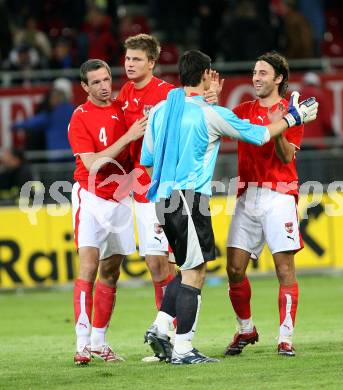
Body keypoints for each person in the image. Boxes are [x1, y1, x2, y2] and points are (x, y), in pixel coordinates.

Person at [140, 49, 318, 364]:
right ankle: (182, 348)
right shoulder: (214, 114)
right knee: (195, 272)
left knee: (186, 267)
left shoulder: (159, 111)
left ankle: (161, 325)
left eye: (263, 72)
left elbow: (147, 161)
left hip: (162, 198)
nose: (255, 77)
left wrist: (165, 189)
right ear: (207, 75)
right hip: (191, 198)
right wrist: (294, 118)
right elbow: (261, 135)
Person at [117, 34, 220, 316]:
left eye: (136, 59)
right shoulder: (125, 94)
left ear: (151, 62)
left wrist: (211, 97)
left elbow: (196, 111)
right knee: (154, 264)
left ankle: (176, 330)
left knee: (174, 263)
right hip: (141, 187)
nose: (129, 64)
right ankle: (165, 330)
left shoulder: (168, 95)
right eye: (127, 58)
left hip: (167, 188)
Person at [224, 51, 307, 358]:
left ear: (278, 78)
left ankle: (285, 337)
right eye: (254, 72)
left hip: (279, 195)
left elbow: (287, 157)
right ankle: (246, 327)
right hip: (247, 195)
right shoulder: (242, 110)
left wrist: (279, 127)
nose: (255, 78)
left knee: (284, 268)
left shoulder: (291, 111)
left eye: (262, 73)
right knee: (234, 269)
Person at [67, 59, 146, 365]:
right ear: (85, 87)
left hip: (121, 197)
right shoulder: (80, 117)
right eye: (96, 82)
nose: (104, 86)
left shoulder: (123, 109)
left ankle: (99, 341)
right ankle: (81, 344)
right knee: (88, 266)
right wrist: (128, 137)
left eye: (106, 79)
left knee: (111, 271)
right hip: (91, 196)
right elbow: (92, 164)